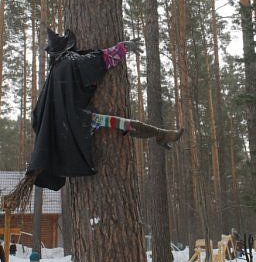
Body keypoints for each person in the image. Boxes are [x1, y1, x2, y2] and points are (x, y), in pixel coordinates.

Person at [9, 28, 183, 196]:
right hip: (78, 121)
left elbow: (37, 115)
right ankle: (160, 134)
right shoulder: (71, 61)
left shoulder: (54, 72)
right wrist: (124, 47)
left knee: (121, 123)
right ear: (66, 49)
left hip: (70, 124)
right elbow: (100, 60)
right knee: (121, 123)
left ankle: (161, 134)